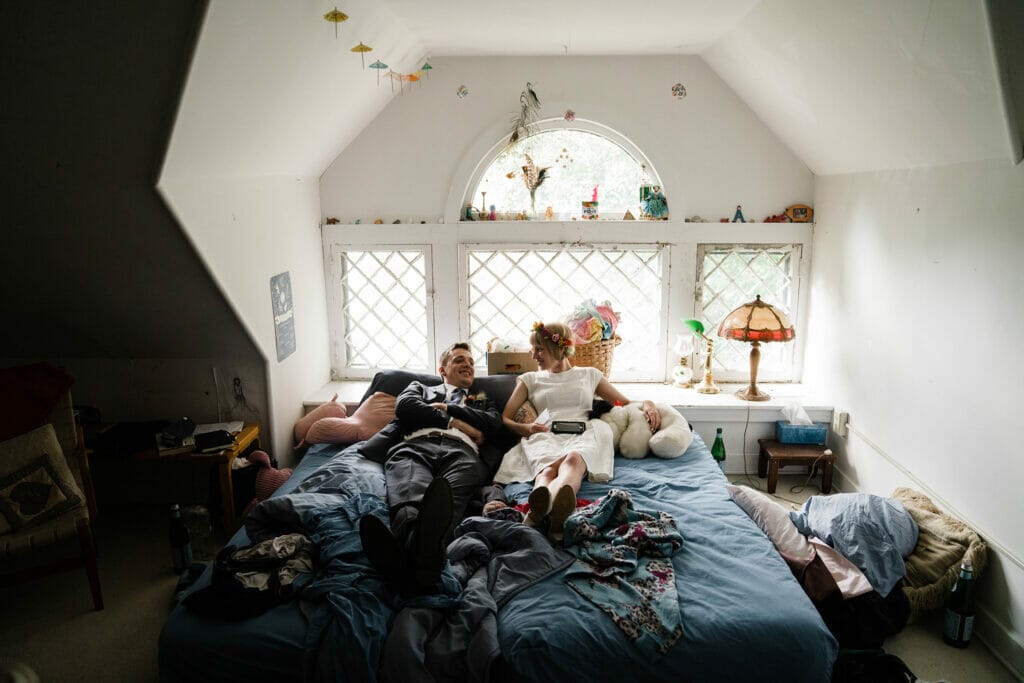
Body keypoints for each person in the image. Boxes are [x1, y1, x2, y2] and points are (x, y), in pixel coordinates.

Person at [490, 321, 660, 540]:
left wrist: (648, 403)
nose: (534, 356)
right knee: (547, 470)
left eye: (539, 350)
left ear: (558, 348)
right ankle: (545, 506)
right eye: (533, 350)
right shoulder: (529, 379)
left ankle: (542, 512)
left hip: (583, 431)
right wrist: (526, 428)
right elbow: (505, 418)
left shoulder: (589, 374)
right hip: (545, 433)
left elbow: (623, 402)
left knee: (573, 461)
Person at [358, 343, 502, 596]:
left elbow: (493, 424)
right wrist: (456, 422)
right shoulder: (421, 388)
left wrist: (448, 408)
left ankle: (401, 563)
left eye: (470, 360)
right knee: (409, 499)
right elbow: (406, 407)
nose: (468, 364)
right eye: (459, 359)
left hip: (463, 453)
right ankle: (424, 561)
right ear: (442, 370)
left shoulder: (481, 399)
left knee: (446, 502)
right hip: (415, 447)